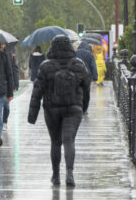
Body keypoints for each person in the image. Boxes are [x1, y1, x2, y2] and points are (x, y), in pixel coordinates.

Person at [28, 35, 90, 187]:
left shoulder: (45, 66)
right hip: (73, 108)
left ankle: (55, 176)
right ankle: (70, 173)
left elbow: (37, 92)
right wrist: (84, 106)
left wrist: (32, 116)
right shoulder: (78, 64)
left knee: (55, 142)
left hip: (52, 110)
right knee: (69, 140)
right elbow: (86, 87)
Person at [0, 43, 19, 131]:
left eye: (3, 44)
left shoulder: (10, 56)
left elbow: (14, 70)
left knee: (6, 105)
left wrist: (15, 84)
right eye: (0, 43)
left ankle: (4, 122)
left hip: (7, 84)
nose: (1, 45)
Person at [75, 41, 98, 114]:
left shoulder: (75, 53)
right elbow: (93, 66)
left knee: (76, 91)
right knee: (86, 92)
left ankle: (77, 106)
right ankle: (84, 109)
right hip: (87, 76)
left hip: (76, 75)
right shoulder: (90, 54)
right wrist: (95, 77)